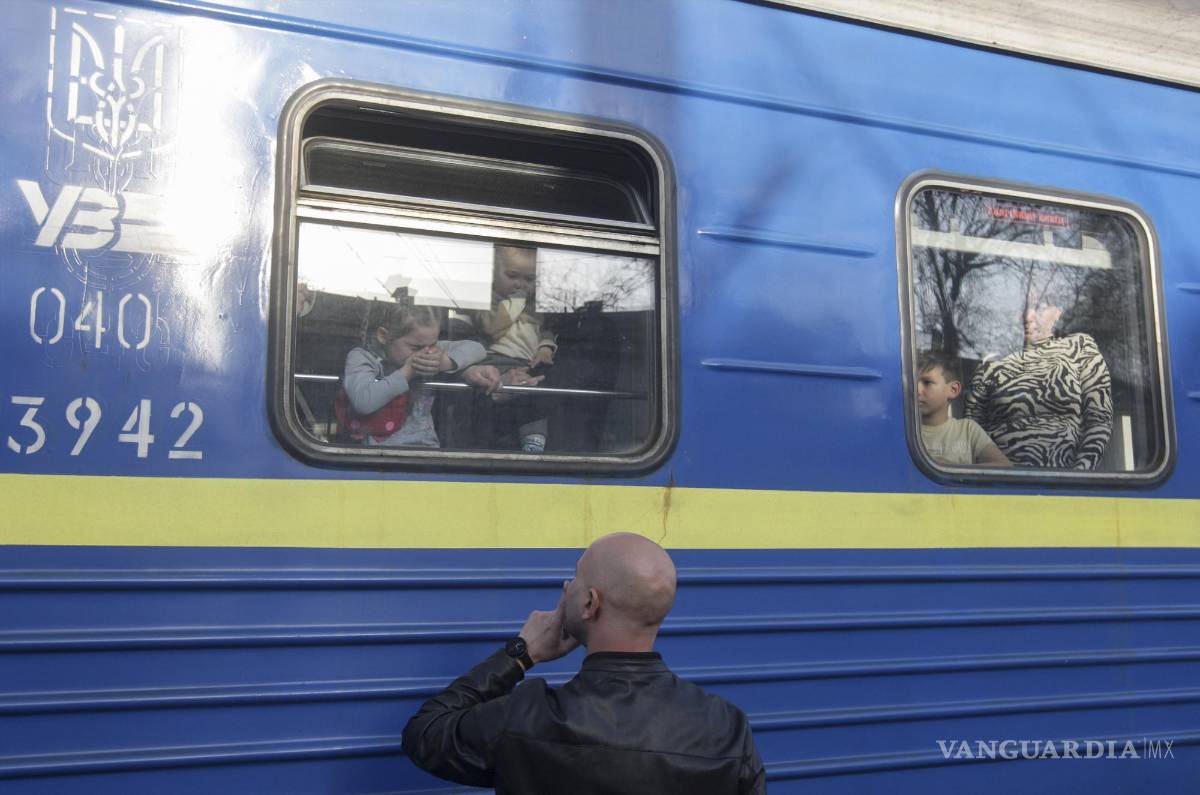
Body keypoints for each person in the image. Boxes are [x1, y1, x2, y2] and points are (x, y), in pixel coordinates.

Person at [402, 532, 766, 794]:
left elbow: (425, 733)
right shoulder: (727, 728)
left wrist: (520, 654)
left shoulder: (526, 718)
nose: (566, 586)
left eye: (575, 577)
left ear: (590, 604)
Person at [966, 276, 1113, 469]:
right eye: (1024, 307)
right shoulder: (992, 364)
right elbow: (970, 434)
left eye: (1040, 307)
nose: (1028, 317)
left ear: (1058, 312)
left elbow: (1100, 421)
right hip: (999, 482)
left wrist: (1079, 475)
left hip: (1065, 483)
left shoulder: (1079, 347)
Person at [341, 303, 500, 447]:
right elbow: (363, 401)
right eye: (415, 348)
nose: (427, 353)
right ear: (384, 336)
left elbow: (477, 348)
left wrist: (447, 362)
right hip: (372, 456)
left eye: (433, 345)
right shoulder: (363, 357)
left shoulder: (427, 349)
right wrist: (407, 372)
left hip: (426, 451)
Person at [471, 244, 556, 452]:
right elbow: (492, 327)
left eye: (529, 280)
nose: (520, 285)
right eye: (512, 276)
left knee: (535, 397)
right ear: (494, 274)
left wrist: (545, 349)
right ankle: (486, 445)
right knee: (494, 399)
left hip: (526, 363)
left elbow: (546, 333)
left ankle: (534, 439)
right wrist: (517, 300)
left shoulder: (536, 308)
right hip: (495, 360)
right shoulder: (488, 301)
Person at [917, 352, 1009, 467]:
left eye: (927, 382)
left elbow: (1004, 465)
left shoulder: (968, 430)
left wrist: (949, 469)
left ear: (953, 390)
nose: (917, 389)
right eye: (913, 382)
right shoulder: (904, 430)